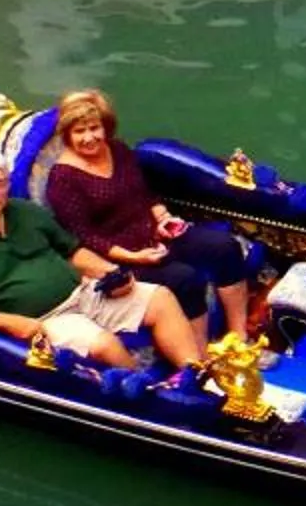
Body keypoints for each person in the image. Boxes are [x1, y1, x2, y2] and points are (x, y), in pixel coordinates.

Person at [0, 148, 207, 378]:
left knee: (161, 298)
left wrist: (114, 273)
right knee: (105, 345)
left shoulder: (25, 212)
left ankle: (195, 377)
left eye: (1, 183)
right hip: (46, 319)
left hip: (85, 292)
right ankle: (149, 395)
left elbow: (74, 252)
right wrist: (11, 323)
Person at [42, 87, 258, 337]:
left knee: (224, 246)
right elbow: (83, 237)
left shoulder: (118, 149)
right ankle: (200, 362)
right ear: (67, 134)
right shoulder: (63, 178)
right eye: (80, 131)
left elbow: (144, 194)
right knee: (185, 279)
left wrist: (163, 218)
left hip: (155, 235)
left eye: (94, 128)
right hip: (118, 257)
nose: (89, 137)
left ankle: (238, 337)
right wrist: (135, 258)